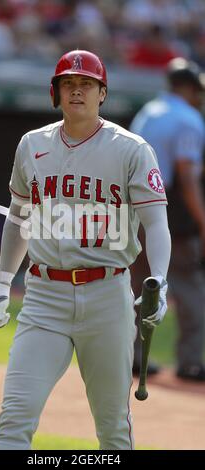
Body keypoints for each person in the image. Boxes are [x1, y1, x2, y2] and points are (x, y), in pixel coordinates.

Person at [0, 49, 171, 450]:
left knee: (113, 430)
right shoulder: (31, 144)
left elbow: (156, 223)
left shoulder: (132, 149)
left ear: (102, 93)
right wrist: (2, 280)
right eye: (68, 83)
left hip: (107, 295)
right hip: (44, 296)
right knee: (13, 420)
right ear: (56, 92)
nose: (77, 91)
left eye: (86, 84)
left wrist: (160, 281)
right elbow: (19, 216)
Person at [130, 57, 205, 381]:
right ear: (189, 88)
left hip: (134, 208)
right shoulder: (188, 118)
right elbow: (186, 176)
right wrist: (202, 220)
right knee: (188, 286)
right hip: (171, 209)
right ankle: (189, 362)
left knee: (136, 286)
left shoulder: (148, 111)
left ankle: (130, 357)